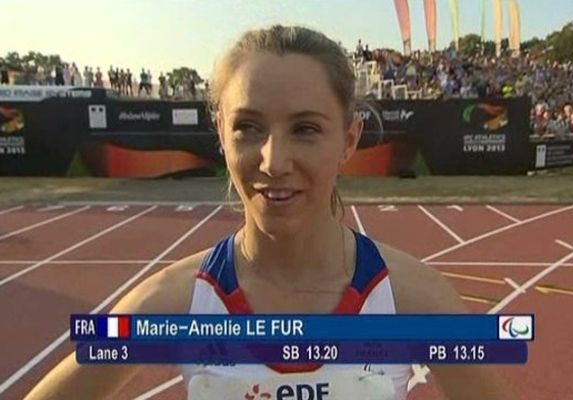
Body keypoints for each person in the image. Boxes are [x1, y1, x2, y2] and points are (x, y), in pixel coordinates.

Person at [25, 25, 513, 400]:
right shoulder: (168, 304)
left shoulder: (418, 302)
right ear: (220, 134)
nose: (273, 162)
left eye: (305, 129)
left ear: (349, 138)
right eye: (248, 128)